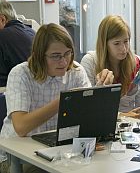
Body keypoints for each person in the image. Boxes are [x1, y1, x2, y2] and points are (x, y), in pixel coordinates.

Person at [0, 23, 91, 172]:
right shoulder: (21, 74)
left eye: (68, 53)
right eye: (56, 56)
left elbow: (89, 112)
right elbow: (21, 127)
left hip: (58, 149)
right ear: (39, 55)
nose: (63, 61)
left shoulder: (76, 71)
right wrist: (63, 101)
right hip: (17, 155)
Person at [81, 15, 140, 119]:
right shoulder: (90, 62)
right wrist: (122, 117)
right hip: (101, 125)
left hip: (131, 128)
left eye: (126, 41)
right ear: (104, 44)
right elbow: (87, 108)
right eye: (116, 43)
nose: (123, 48)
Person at [0, 1, 36, 87]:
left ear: (2, 19)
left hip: (10, 89)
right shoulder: (31, 31)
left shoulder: (2, 36)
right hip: (35, 85)